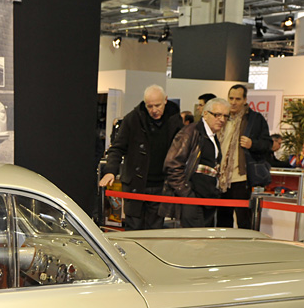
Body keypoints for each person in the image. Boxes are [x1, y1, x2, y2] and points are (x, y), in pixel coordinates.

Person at [98, 85, 184, 230]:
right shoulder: (132, 119)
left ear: (165, 100)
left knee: (154, 230)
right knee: (133, 228)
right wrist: (110, 171)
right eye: (150, 106)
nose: (154, 110)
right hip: (135, 184)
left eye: (157, 105)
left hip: (160, 184)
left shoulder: (175, 120)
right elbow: (117, 148)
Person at [164, 97, 228, 228]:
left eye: (225, 116)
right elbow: (172, 165)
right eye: (217, 115)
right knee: (194, 239)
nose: (222, 119)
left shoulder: (212, 136)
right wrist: (187, 194)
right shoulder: (190, 132)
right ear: (205, 114)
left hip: (207, 200)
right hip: (193, 201)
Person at [216, 84, 271, 229]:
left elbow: (268, 144)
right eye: (231, 98)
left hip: (241, 177)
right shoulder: (222, 118)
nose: (233, 102)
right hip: (220, 177)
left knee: (243, 220)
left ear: (245, 100)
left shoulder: (255, 119)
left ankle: (245, 243)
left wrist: (252, 144)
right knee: (222, 220)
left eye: (238, 99)